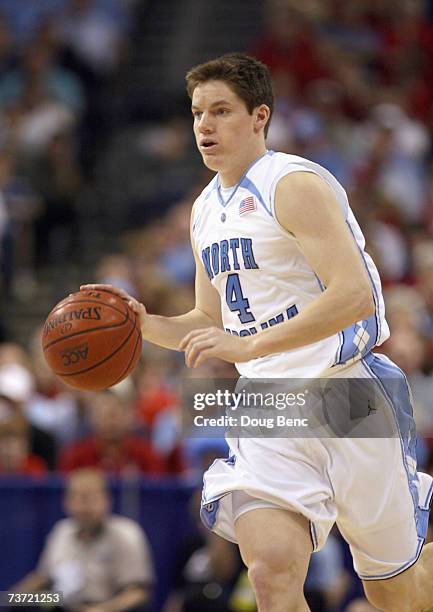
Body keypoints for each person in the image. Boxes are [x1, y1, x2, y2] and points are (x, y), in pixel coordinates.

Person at [82, 53, 433, 611]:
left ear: (259, 117)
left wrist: (251, 345)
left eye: (221, 111)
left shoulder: (293, 184)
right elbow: (209, 321)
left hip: (349, 393)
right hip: (265, 404)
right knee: (269, 573)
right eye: (198, 113)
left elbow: (356, 296)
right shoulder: (202, 212)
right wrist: (144, 324)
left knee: (393, 593)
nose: (204, 125)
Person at [11, 468, 154, 611]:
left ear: (107, 500)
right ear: (66, 502)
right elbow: (42, 578)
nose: (84, 506)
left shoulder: (126, 533)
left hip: (107, 606)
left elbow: (139, 593)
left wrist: (103, 609)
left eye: (91, 498)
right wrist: (11, 599)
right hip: (61, 603)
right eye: (77, 497)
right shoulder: (61, 531)